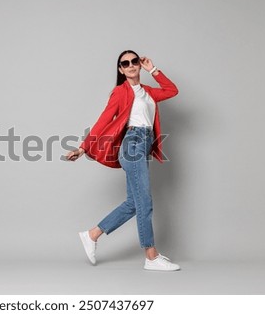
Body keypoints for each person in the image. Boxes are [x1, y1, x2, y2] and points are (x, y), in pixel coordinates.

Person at [66, 50, 180, 271]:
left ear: (139, 64)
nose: (130, 65)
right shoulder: (120, 92)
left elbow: (172, 90)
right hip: (133, 144)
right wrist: (82, 148)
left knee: (133, 203)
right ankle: (151, 256)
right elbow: (104, 119)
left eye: (134, 61)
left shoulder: (147, 92)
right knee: (145, 201)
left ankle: (92, 235)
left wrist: (153, 70)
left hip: (143, 145)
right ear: (120, 69)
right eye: (124, 63)